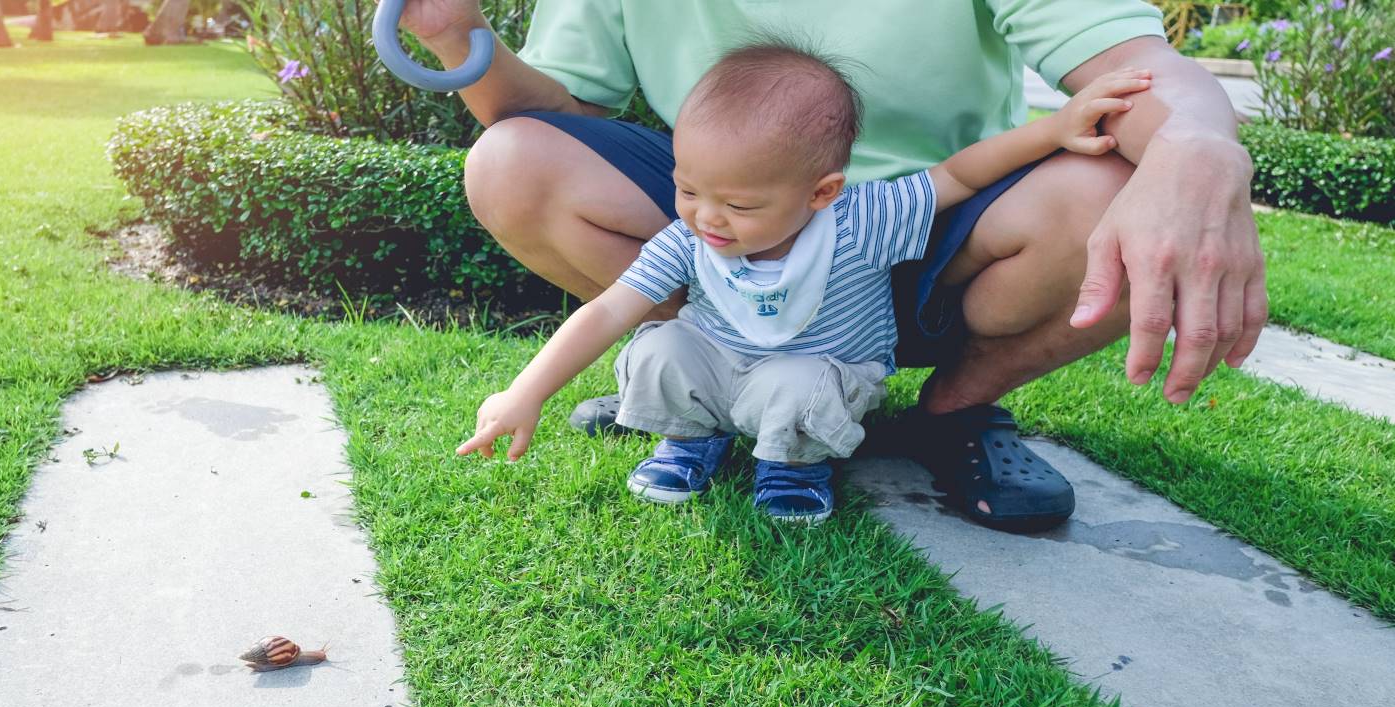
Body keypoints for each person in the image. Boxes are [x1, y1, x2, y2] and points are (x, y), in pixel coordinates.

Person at [410, 0, 1267, 532]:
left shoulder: (867, 203)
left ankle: (954, 409)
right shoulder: (703, 220)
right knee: (511, 160)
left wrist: (1198, 149)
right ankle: (713, 387)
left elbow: (1131, 76)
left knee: (1118, 180)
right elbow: (555, 116)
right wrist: (455, 36)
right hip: (744, 229)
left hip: (945, 235)